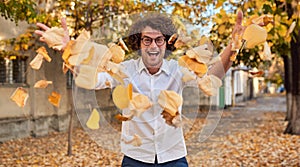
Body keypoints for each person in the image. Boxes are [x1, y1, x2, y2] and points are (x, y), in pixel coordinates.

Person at [35, 11, 244, 167]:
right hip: (135, 159)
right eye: (147, 40)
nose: (153, 46)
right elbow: (92, 79)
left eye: (159, 40)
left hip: (173, 158)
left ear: (166, 43)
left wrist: (233, 45)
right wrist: (70, 50)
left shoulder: (178, 69)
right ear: (139, 43)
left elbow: (212, 76)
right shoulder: (124, 70)